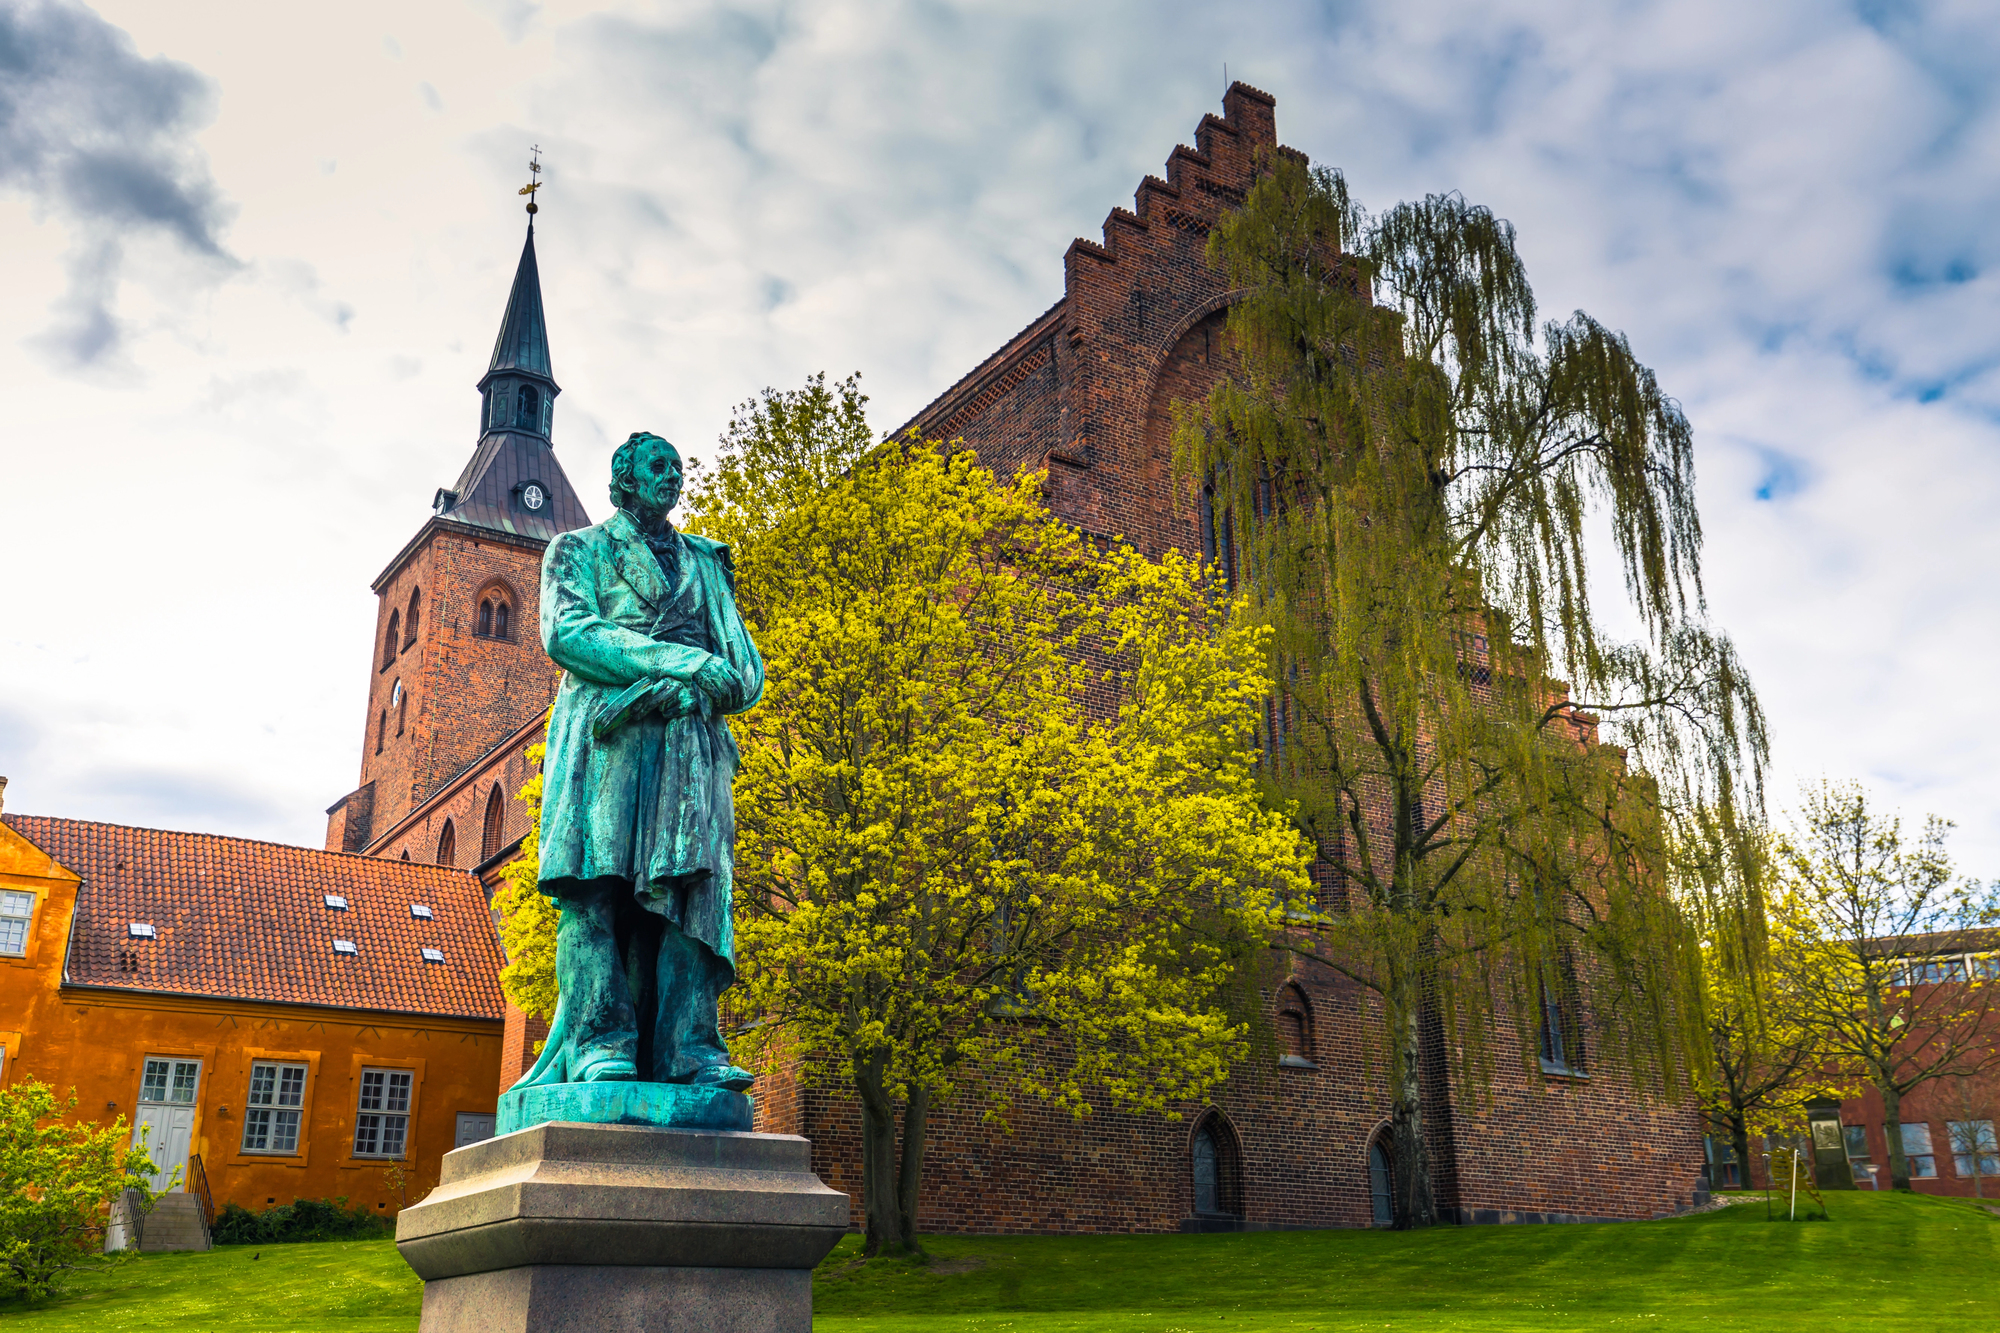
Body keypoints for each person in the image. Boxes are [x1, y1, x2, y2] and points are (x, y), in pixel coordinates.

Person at [511, 431, 763, 1091]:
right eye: (659, 466)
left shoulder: (705, 563)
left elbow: (742, 669)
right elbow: (570, 632)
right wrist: (680, 662)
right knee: (596, 888)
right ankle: (599, 1040)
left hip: (687, 742)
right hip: (608, 742)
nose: (673, 476)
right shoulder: (580, 550)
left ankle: (690, 1046)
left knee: (697, 894)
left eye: (680, 468)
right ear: (623, 478)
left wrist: (713, 681)